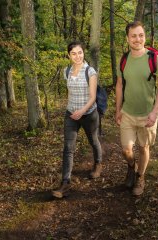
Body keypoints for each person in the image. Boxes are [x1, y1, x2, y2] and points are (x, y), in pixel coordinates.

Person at [115, 21, 158, 196]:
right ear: (128, 38)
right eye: (134, 36)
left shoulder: (154, 59)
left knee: (144, 148)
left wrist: (155, 111)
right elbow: (120, 85)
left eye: (141, 35)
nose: (138, 39)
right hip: (128, 113)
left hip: (147, 115)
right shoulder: (123, 60)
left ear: (144, 36)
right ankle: (131, 166)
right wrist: (118, 109)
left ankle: (140, 176)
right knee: (126, 149)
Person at [52, 41, 102, 198]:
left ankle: (98, 163)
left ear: (83, 53)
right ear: (69, 55)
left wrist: (82, 111)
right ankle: (65, 182)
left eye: (80, 52)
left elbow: (93, 97)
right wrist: (73, 110)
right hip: (71, 115)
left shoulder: (90, 72)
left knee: (93, 141)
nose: (77, 56)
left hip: (89, 114)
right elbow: (70, 93)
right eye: (73, 53)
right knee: (68, 147)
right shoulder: (66, 71)